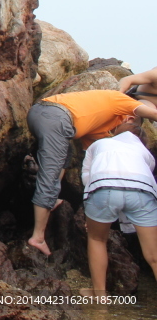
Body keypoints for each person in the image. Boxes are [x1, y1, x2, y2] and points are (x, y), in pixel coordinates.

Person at [27, 88, 157, 256]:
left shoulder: (100, 128)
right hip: (54, 115)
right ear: (130, 117)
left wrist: (96, 215)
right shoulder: (120, 100)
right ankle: (37, 237)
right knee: (50, 176)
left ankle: (50, 200)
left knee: (65, 157)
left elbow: (98, 165)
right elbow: (152, 113)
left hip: (48, 117)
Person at [80, 116, 157, 296]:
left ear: (115, 133)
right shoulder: (145, 153)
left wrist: (90, 213)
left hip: (103, 186)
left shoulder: (98, 145)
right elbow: (147, 176)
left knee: (98, 239)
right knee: (154, 255)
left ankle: (99, 295)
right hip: (142, 190)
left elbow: (87, 177)